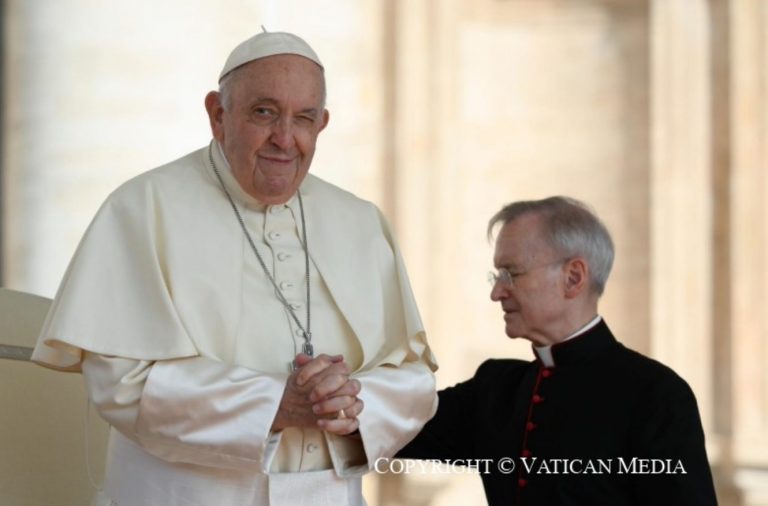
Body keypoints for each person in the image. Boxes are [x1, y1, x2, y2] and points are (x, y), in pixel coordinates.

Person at [32, 30, 437, 506]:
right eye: (264, 112)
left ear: (322, 124)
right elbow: (121, 383)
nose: (284, 138)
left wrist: (349, 401)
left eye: (303, 118)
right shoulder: (142, 208)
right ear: (218, 115)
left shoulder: (360, 222)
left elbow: (414, 379)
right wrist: (274, 405)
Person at [397, 196, 717, 505]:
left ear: (573, 277)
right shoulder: (495, 390)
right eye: (497, 275)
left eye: (511, 274)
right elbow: (389, 423)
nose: (497, 292)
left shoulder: (655, 394)